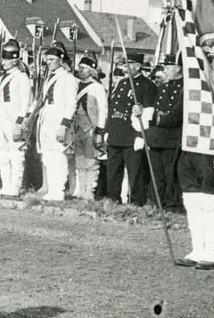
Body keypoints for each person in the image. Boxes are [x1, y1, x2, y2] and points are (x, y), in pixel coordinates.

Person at [132, 53, 183, 211]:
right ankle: (156, 204)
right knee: (156, 174)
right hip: (156, 137)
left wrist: (156, 119)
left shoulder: (185, 88)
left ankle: (171, 206)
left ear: (179, 67)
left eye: (168, 67)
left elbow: (176, 114)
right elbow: (152, 110)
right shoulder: (162, 88)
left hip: (172, 138)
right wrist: (141, 112)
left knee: (170, 175)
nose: (165, 71)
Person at [105, 53, 157, 205]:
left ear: (138, 66)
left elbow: (148, 113)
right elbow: (113, 107)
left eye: (129, 63)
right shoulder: (121, 84)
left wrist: (141, 135)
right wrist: (108, 129)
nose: (125, 67)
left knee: (135, 172)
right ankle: (113, 200)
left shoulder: (148, 85)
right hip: (116, 132)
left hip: (132, 134)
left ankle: (136, 202)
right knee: (113, 171)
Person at [35, 43, 77, 201]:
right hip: (47, 119)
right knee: (48, 156)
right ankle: (52, 190)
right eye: (47, 59)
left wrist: (63, 126)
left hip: (59, 121)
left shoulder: (68, 78)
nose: (48, 62)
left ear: (60, 59)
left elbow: (71, 104)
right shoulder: (49, 79)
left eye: (51, 59)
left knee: (59, 156)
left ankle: (58, 191)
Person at [174, 150, 214, 270]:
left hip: (210, 152)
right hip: (187, 152)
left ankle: (211, 252)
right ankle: (197, 250)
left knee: (210, 203)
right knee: (191, 202)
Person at [0, 39, 32, 196]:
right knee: (2, 154)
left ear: (14, 59)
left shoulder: (22, 77)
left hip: (14, 121)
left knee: (16, 154)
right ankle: (6, 185)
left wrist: (19, 123)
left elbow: (26, 103)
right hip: (1, 119)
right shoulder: (2, 77)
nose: (3, 62)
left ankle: (15, 187)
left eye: (6, 59)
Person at [68, 56, 108, 200]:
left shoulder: (97, 88)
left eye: (83, 68)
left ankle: (89, 192)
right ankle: (81, 190)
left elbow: (103, 110)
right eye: (79, 67)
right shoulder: (76, 85)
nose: (80, 70)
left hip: (91, 129)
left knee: (91, 162)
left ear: (91, 70)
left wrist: (99, 130)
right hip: (77, 128)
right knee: (80, 162)